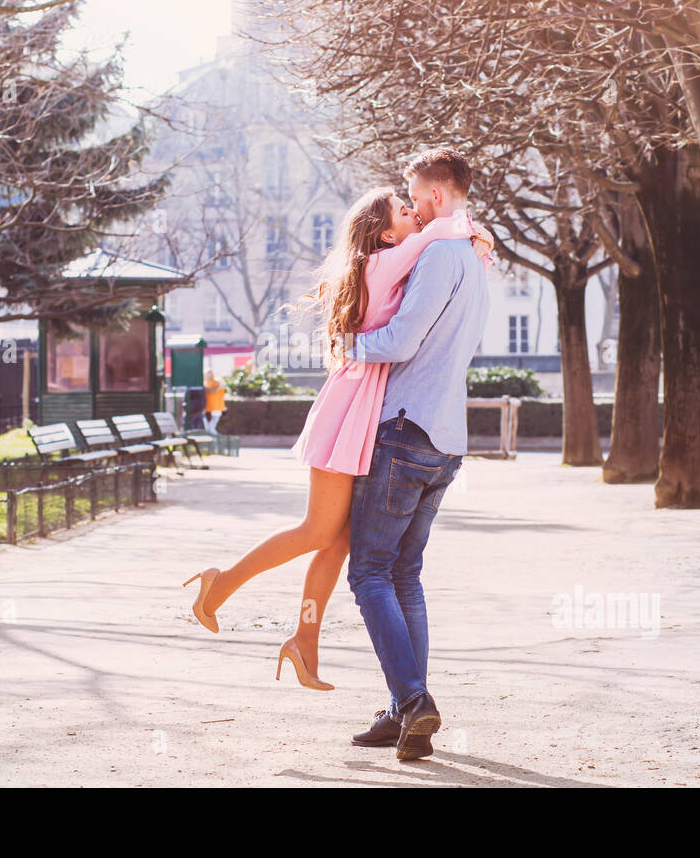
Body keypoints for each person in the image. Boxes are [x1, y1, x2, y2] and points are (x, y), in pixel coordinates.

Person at [182, 176, 492, 694]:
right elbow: (430, 239)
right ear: (385, 233)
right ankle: (221, 584)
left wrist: (472, 239)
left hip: (369, 410)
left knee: (344, 539)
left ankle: (304, 639)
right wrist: (465, 226)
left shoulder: (404, 260)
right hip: (349, 408)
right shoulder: (382, 261)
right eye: (401, 208)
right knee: (317, 532)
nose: (412, 212)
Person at [342, 147, 490, 761]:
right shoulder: (478, 260)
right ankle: (406, 709)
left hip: (405, 431)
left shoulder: (439, 254)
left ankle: (411, 701)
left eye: (412, 193)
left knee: (369, 571)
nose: (411, 205)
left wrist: (343, 340)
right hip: (446, 439)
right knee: (404, 574)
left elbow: (400, 341)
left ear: (433, 197)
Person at [203, 369, 225, 434]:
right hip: (208, 410)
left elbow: (213, 390)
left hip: (215, 409)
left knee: (211, 429)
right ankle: (215, 442)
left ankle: (216, 442)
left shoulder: (217, 383)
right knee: (209, 429)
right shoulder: (209, 383)